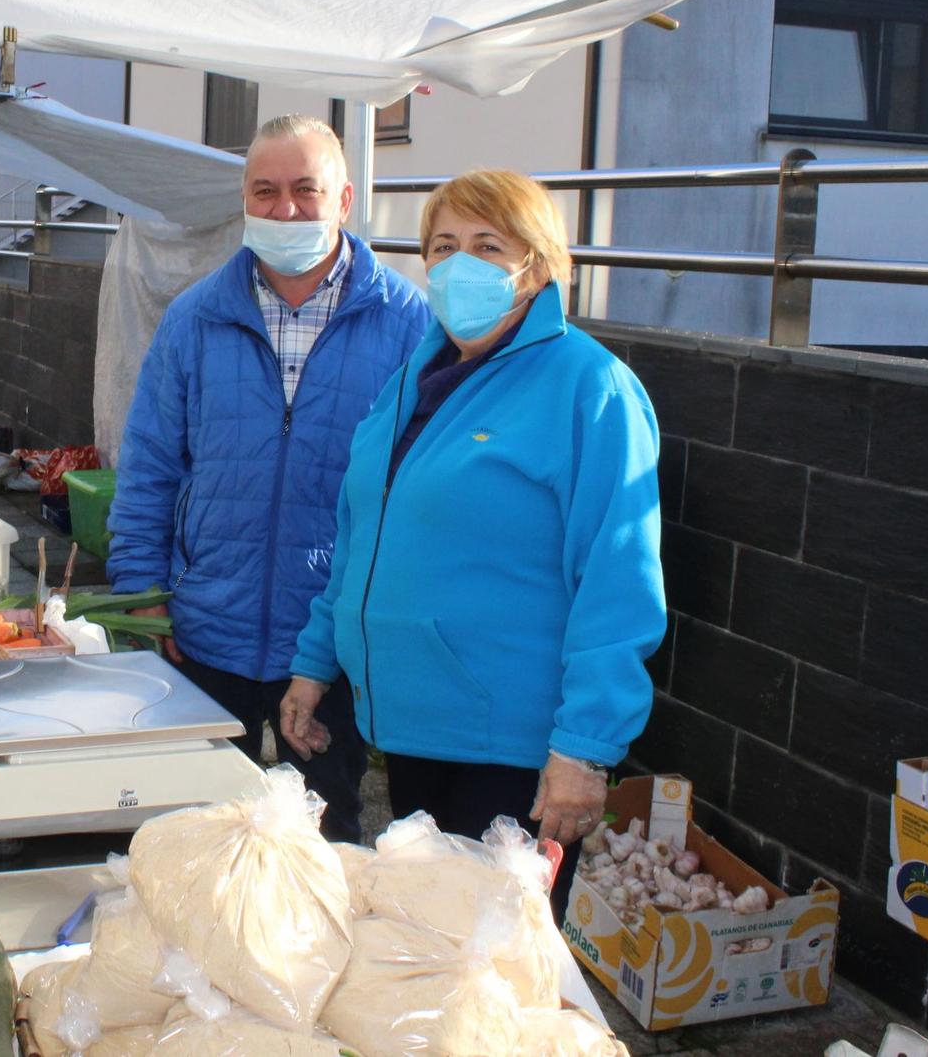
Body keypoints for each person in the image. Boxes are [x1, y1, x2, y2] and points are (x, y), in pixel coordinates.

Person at [280, 170, 665, 902]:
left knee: (486, 969)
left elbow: (618, 581)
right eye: (445, 245)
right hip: (416, 730)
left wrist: (584, 747)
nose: (462, 264)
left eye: (490, 245)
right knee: (422, 945)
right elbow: (361, 539)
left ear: (540, 265)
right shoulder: (416, 379)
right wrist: (313, 664)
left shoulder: (589, 387)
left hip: (513, 752)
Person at [106, 114, 429, 842]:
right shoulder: (195, 321)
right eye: (266, 191)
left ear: (344, 200)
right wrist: (141, 591)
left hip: (331, 645)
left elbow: (415, 499)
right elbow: (152, 463)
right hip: (205, 632)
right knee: (194, 839)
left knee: (322, 846)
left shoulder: (407, 326)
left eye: (305, 191)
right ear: (245, 200)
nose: (285, 210)